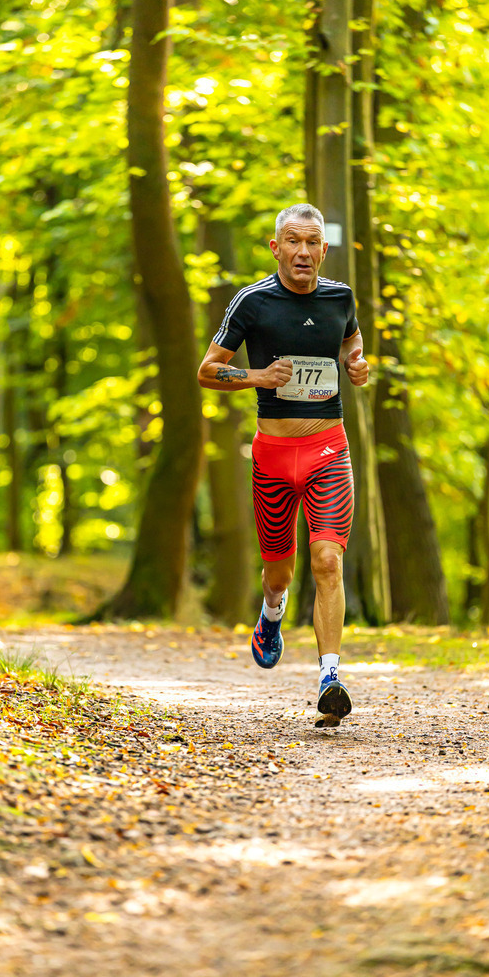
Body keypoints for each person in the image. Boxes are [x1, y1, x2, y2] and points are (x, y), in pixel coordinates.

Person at [197, 203, 369, 727]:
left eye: (312, 242)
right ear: (276, 247)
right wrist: (257, 377)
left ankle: (330, 677)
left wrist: (358, 363)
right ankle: (271, 612)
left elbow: (351, 339)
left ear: (324, 248)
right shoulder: (252, 302)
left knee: (328, 560)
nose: (303, 251)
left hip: (328, 451)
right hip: (272, 458)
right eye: (292, 241)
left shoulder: (340, 297)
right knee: (279, 571)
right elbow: (207, 371)